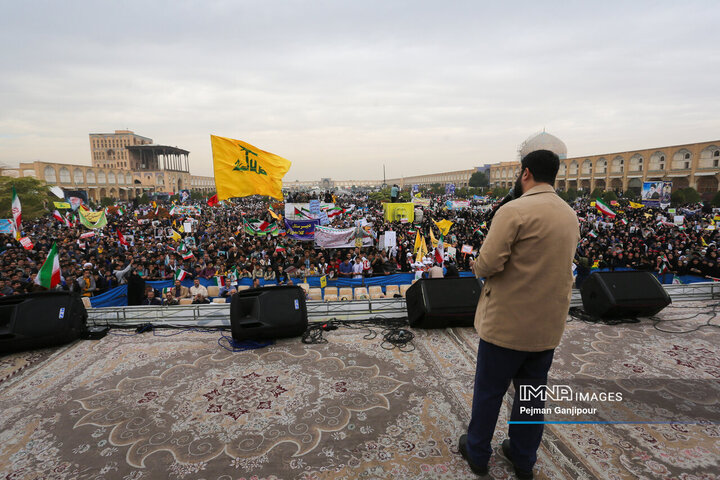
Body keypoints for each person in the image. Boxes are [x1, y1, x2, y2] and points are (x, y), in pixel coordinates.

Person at [458, 150, 580, 479]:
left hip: (506, 325)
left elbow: (487, 263)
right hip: (546, 328)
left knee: (489, 392)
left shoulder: (514, 210)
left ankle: (478, 452)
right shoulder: (570, 215)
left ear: (525, 173)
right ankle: (523, 458)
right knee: (530, 397)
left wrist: (476, 264)